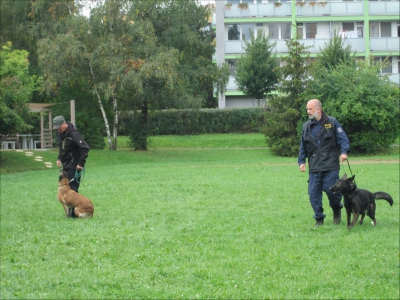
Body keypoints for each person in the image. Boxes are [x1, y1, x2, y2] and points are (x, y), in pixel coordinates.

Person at [298, 99, 350, 227]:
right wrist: (301, 161)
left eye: (310, 109)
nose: (308, 112)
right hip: (314, 166)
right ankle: (319, 219)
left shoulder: (332, 122)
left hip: (330, 165)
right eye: (307, 109)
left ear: (318, 110)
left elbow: (343, 139)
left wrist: (344, 152)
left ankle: (336, 210)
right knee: (314, 195)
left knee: (333, 192)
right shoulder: (306, 126)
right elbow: (302, 146)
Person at [53, 115, 90, 195]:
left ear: (64, 124)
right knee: (65, 190)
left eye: (59, 127)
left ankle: (74, 208)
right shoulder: (60, 134)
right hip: (65, 165)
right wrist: (60, 158)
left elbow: (85, 147)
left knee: (72, 191)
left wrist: (81, 163)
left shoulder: (73, 134)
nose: (58, 130)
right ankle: (70, 208)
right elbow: (61, 147)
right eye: (56, 128)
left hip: (74, 166)